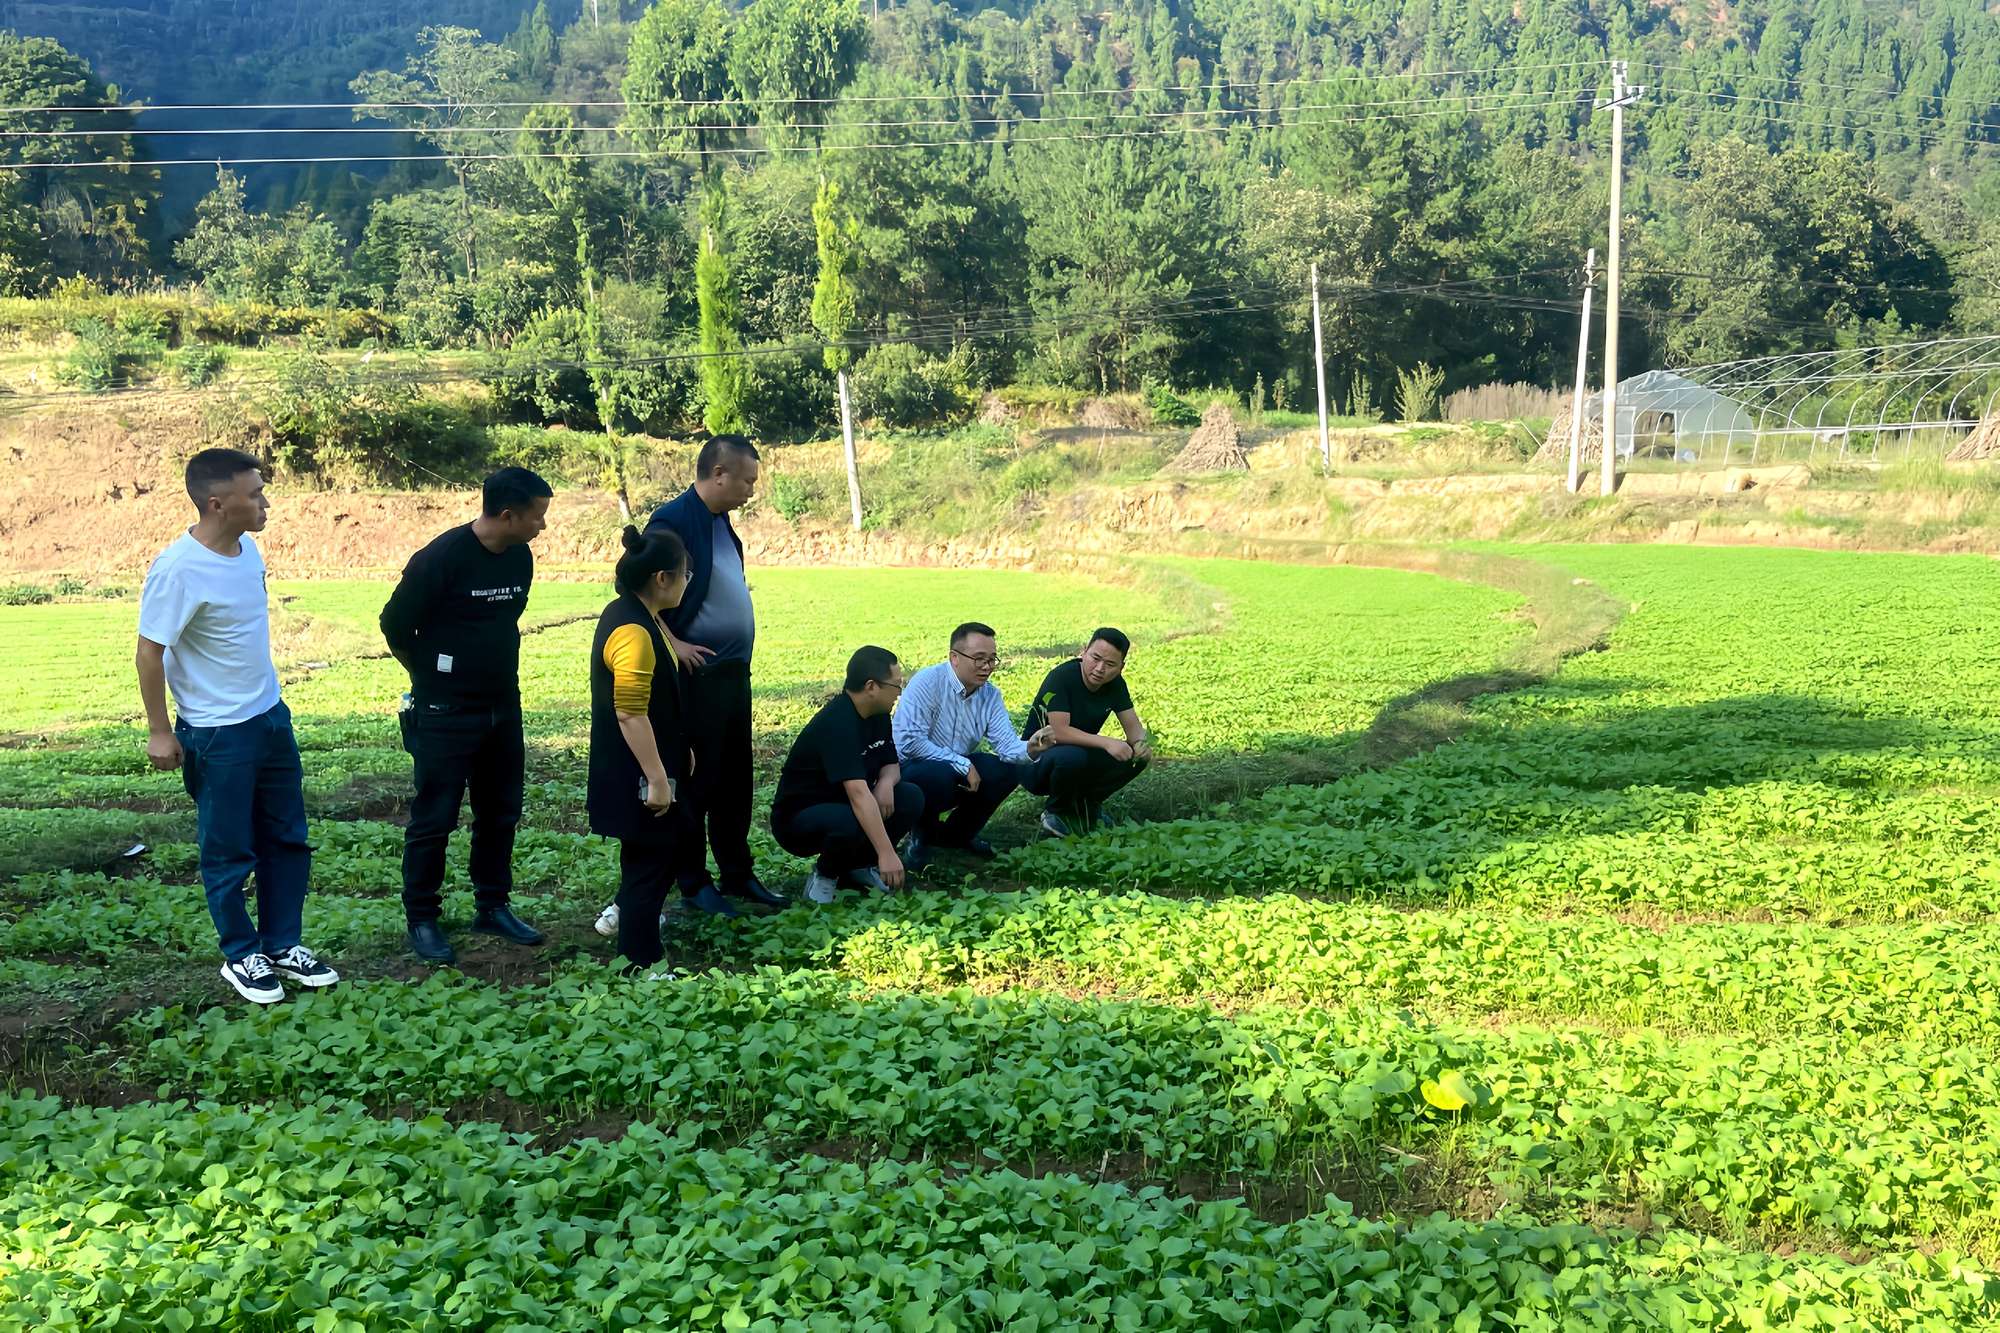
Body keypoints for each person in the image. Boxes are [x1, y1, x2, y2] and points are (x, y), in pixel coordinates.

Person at [135, 448, 339, 1003]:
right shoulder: (177, 569)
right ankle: (241, 955)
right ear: (218, 503)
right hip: (217, 732)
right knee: (228, 849)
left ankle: (280, 944)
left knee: (287, 838)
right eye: (255, 494)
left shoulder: (248, 550)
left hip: (270, 718)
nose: (265, 501)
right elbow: (150, 652)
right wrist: (160, 730)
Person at [379, 467, 553, 964]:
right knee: (435, 817)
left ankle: (492, 905)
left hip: (503, 705)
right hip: (444, 711)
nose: (542, 526)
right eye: (537, 516)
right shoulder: (441, 559)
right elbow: (394, 624)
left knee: (500, 812)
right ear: (507, 515)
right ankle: (423, 917)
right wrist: (429, 677)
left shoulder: (520, 558)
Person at [643, 434, 784, 915]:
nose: (750, 489)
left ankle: (738, 873)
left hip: (731, 676)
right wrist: (672, 641)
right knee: (698, 782)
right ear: (719, 473)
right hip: (697, 680)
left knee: (734, 782)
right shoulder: (673, 520)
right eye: (746, 480)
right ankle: (694, 881)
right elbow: (642, 591)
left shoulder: (722, 523)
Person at [586, 526, 697, 975]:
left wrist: (678, 750)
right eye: (686, 575)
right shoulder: (632, 629)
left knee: (668, 848)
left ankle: (627, 918)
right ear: (662, 579)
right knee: (650, 864)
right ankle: (641, 963)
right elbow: (631, 714)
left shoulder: (640, 616)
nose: (689, 582)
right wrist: (655, 777)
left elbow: (658, 704)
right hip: (636, 775)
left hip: (652, 767)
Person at [771, 646, 921, 905]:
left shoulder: (879, 715)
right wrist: (886, 852)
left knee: (909, 795)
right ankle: (825, 876)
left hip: (846, 805)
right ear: (871, 686)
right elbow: (859, 795)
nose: (900, 693)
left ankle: (860, 866)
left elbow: (891, 763)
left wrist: (885, 783)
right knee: (851, 819)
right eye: (896, 686)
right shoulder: (838, 723)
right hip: (800, 820)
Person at [892, 622, 1040, 870]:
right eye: (979, 658)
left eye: (992, 659)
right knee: (934, 775)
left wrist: (1032, 748)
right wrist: (962, 763)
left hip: (958, 766)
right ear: (954, 658)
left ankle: (955, 837)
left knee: (1006, 770)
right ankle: (921, 835)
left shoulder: (990, 695)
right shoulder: (928, 682)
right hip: (912, 768)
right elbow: (909, 742)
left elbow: (1005, 745)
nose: (987, 667)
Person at [1023, 627, 1153, 837]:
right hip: (1037, 760)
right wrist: (1106, 742)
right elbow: (1058, 732)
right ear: (1083, 652)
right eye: (1095, 658)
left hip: (1078, 756)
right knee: (1073, 755)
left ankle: (1087, 806)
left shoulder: (1116, 685)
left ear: (1121, 667)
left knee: (1134, 757)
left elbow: (1134, 729)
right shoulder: (1061, 677)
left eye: (1110, 664)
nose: (1100, 668)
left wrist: (1141, 745)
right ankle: (1056, 812)